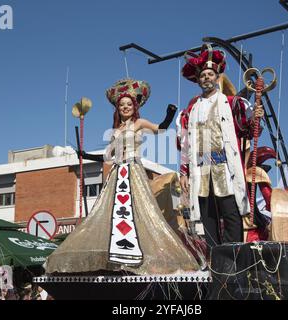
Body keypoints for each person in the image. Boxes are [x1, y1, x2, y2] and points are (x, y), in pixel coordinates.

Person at [45, 78, 200, 275]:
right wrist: (86, 155)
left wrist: (169, 115)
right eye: (121, 105)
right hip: (117, 173)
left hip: (133, 170)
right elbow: (107, 156)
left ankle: (141, 257)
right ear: (117, 109)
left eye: (128, 104)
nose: (125, 107)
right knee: (112, 213)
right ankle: (118, 259)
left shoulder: (139, 123)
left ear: (134, 107)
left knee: (139, 212)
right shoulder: (115, 131)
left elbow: (159, 129)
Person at [177, 44, 262, 255]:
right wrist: (184, 171)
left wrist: (255, 118)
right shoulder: (191, 108)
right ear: (198, 80)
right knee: (207, 214)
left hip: (224, 165)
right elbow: (185, 143)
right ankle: (215, 258)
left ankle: (233, 256)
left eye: (210, 74)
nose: (206, 77)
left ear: (217, 76)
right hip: (201, 167)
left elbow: (246, 130)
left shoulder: (231, 103)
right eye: (203, 75)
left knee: (230, 211)